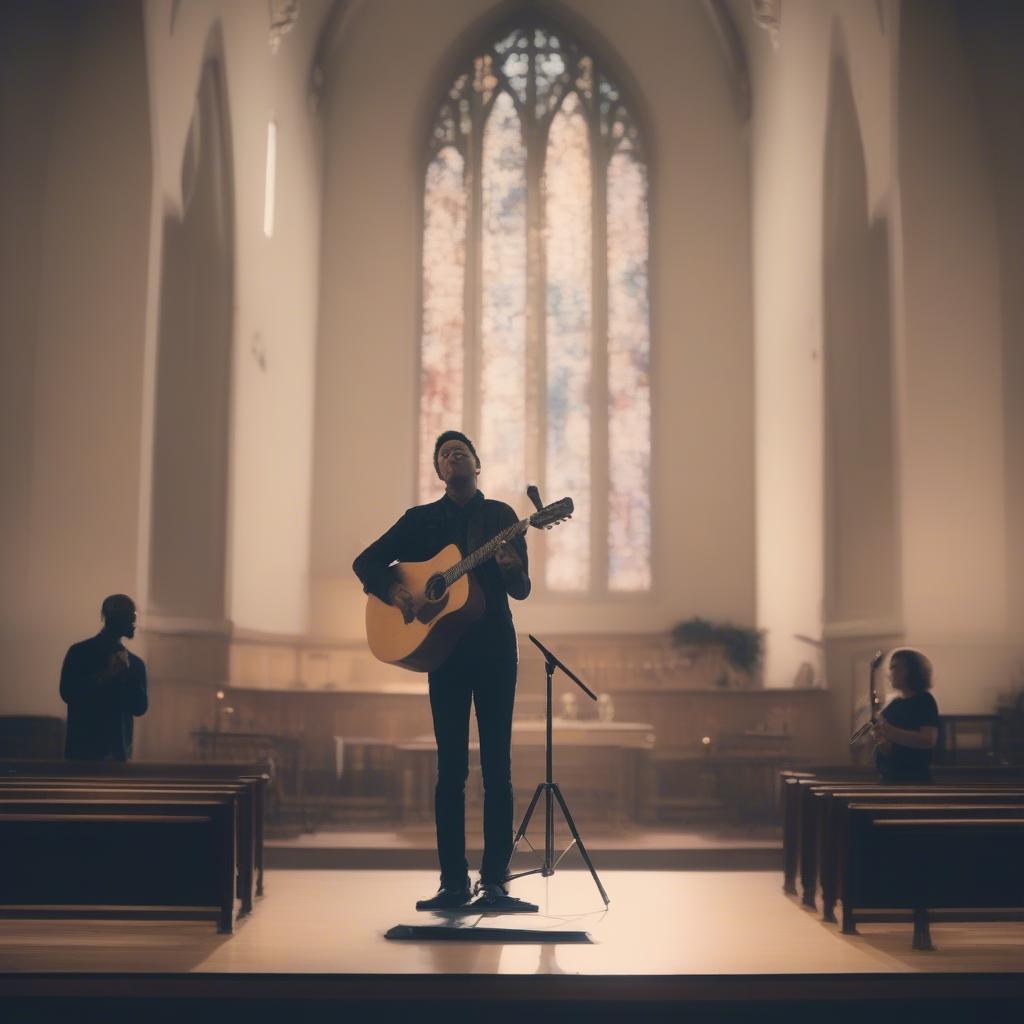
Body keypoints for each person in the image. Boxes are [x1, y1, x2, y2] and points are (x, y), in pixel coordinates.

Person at [353, 430, 531, 911]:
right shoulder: (420, 520)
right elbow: (366, 561)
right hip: (443, 653)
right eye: (444, 455)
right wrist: (394, 592)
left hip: (495, 648)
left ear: (478, 465)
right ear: (439, 472)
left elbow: (521, 589)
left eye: (461, 452)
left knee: (499, 769)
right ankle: (452, 883)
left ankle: (495, 881)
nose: (453, 457)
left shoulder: (502, 517)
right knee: (449, 770)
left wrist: (512, 566)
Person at [60, 594, 148, 761]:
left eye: (134, 615)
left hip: (117, 755)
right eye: (129, 615)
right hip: (82, 755)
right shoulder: (79, 654)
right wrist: (105, 676)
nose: (134, 622)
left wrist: (127, 676)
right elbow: (68, 693)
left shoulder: (135, 664)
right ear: (113, 618)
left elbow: (140, 707)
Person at [871, 648, 939, 783]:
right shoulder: (894, 704)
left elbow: (928, 740)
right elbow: (888, 744)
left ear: (912, 670)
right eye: (890, 668)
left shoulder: (924, 700)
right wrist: (881, 740)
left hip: (914, 780)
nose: (890, 673)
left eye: (895, 667)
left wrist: (889, 731)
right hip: (890, 777)